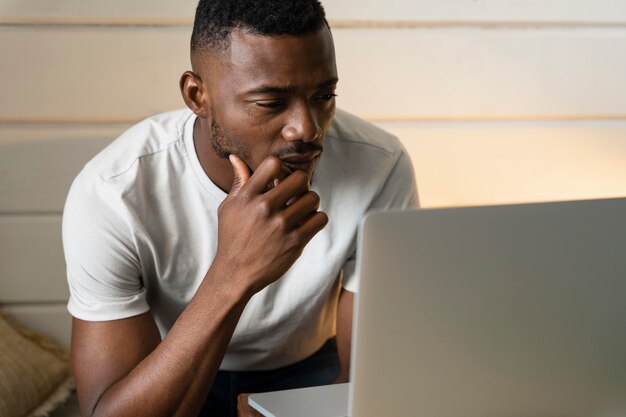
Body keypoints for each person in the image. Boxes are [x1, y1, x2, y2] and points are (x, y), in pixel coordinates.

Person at [62, 1, 418, 416]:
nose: (307, 128)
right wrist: (235, 270)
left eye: (323, 95)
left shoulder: (380, 165)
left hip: (313, 367)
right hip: (167, 364)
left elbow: (367, 383)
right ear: (198, 96)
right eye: (270, 102)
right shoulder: (114, 193)